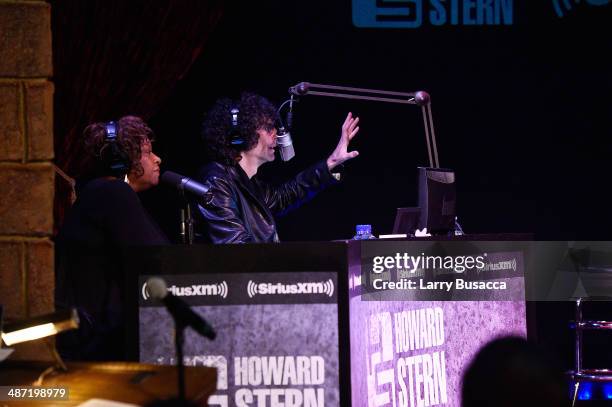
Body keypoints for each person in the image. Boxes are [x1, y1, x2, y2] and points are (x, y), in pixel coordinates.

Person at [55, 116, 168, 360]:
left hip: (93, 336)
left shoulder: (101, 192)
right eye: (148, 152)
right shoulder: (112, 193)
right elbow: (155, 257)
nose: (157, 159)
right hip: (96, 343)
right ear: (121, 161)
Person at [196, 92, 360, 243]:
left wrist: (332, 161)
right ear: (243, 134)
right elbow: (236, 249)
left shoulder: (251, 183)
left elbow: (286, 196)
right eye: (268, 128)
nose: (277, 134)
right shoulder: (217, 181)